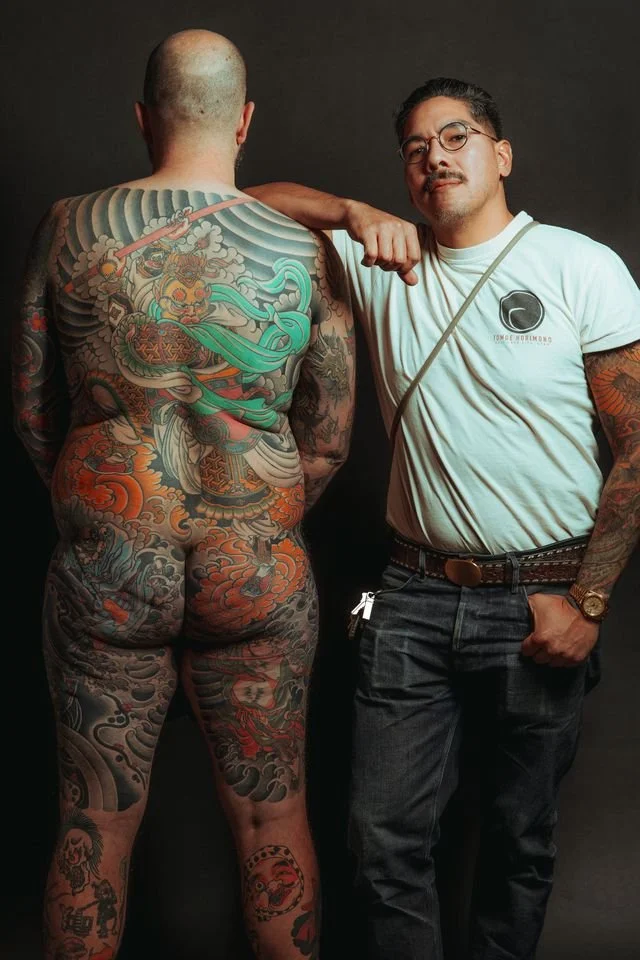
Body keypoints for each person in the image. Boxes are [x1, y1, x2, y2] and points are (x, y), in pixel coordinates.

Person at [247, 77, 640, 959]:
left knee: (518, 842)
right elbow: (240, 203)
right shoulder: (379, 260)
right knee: (380, 839)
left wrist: (589, 601)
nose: (436, 158)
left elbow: (639, 446)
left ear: (502, 155)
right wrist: (349, 211)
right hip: (409, 598)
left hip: (543, 595)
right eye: (417, 148)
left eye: (457, 138)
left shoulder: (579, 266)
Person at [12, 29, 354, 960]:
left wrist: (102, 514)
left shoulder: (69, 227)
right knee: (273, 816)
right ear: (244, 121)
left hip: (111, 564)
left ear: (142, 118)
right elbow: (328, 438)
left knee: (92, 819)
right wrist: (255, 525)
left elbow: (34, 414)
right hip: (255, 567)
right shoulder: (303, 251)